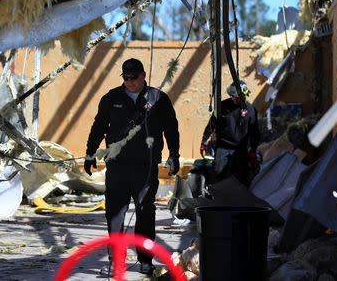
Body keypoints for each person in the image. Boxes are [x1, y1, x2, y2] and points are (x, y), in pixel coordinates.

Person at [84, 58, 180, 276]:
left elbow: (171, 128)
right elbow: (98, 127)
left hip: (145, 167)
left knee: (146, 213)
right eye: (125, 78)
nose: (130, 82)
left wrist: (174, 154)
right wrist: (90, 153)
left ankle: (146, 261)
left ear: (143, 75)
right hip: (117, 167)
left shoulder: (158, 99)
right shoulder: (111, 98)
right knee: (115, 214)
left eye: (133, 78)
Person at [200, 80, 260, 187]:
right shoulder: (222, 106)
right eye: (232, 96)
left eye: (237, 97)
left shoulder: (251, 111)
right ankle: (218, 199)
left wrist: (253, 151)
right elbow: (211, 124)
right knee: (218, 172)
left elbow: (254, 133)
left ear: (245, 95)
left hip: (241, 149)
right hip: (223, 147)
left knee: (240, 176)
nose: (234, 99)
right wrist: (204, 140)